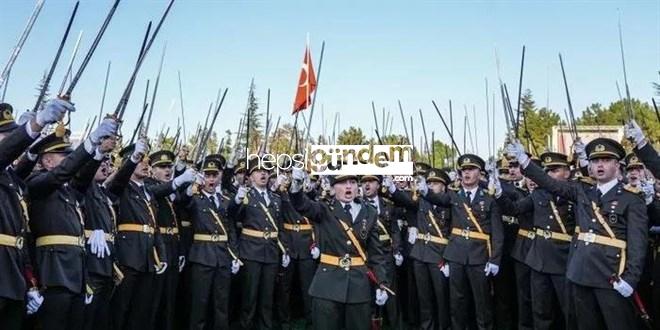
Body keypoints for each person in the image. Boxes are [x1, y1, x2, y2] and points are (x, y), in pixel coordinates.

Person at [507, 137, 650, 329]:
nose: (600, 165)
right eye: (595, 161)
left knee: (617, 324)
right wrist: (525, 161)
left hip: (612, 274)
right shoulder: (583, 191)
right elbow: (550, 183)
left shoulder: (631, 199)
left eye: (606, 160)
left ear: (617, 165)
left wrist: (631, 279)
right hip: (581, 272)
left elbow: (638, 244)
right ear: (590, 166)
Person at [27, 113, 117, 330]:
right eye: (63, 156)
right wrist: (90, 141)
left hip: (76, 271)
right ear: (47, 161)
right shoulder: (37, 183)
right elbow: (62, 174)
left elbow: (82, 177)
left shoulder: (68, 191)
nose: (68, 160)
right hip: (53, 272)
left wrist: (97, 153)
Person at [288, 170, 389, 330]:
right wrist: (296, 184)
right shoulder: (324, 209)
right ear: (333, 189)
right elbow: (301, 204)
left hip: (358, 285)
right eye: (342, 183)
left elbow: (376, 253)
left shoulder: (369, 212)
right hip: (327, 285)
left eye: (353, 182)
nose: (348, 186)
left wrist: (382, 283)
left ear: (358, 187)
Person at [0, 101, 68, 330]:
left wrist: (30, 283)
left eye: (13, 134)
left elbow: (21, 236)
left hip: (13, 276)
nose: (11, 140)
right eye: (5, 135)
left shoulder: (12, 181)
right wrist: (35, 125)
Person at [492, 152, 576, 329]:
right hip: (539, 259)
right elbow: (514, 209)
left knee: (569, 309)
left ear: (567, 173)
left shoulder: (576, 193)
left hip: (565, 258)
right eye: (547, 171)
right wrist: (499, 194)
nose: (549, 175)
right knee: (540, 309)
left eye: (554, 170)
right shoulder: (539, 194)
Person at [420, 154, 504, 330]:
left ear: (479, 173)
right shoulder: (454, 196)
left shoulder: (489, 198)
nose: (466, 173)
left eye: (471, 170)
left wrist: (495, 259)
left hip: (479, 256)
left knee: (482, 304)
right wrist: (425, 191)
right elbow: (438, 199)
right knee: (457, 303)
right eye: (463, 170)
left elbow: (497, 233)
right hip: (456, 256)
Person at [384, 168, 451, 330]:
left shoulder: (450, 202)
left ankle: (443, 326)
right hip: (420, 254)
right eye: (429, 183)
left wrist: (448, 258)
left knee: (442, 297)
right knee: (424, 297)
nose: (431, 186)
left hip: (439, 255)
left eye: (435, 183)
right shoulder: (421, 200)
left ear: (444, 187)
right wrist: (392, 188)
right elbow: (404, 200)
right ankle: (426, 326)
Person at [229, 158, 289, 330]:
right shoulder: (245, 195)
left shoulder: (276, 199)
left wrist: (285, 250)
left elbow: (280, 226)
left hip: (270, 252)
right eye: (258, 171)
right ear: (251, 177)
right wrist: (237, 200)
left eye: (266, 171)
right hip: (250, 252)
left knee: (267, 298)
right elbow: (232, 215)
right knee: (249, 298)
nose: (263, 173)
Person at [185, 155, 240, 329]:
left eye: (214, 175)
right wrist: (191, 187)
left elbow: (231, 229)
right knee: (199, 304)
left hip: (222, 257)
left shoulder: (225, 200)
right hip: (202, 256)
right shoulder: (194, 198)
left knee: (221, 304)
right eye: (207, 175)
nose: (211, 179)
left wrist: (235, 255)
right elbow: (182, 202)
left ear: (220, 176)